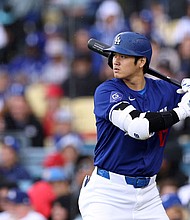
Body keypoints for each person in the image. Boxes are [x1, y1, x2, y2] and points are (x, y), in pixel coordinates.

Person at [78, 31, 190, 220]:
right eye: (115, 55)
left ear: (141, 62)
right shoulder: (107, 91)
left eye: (124, 56)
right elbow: (139, 128)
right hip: (107, 194)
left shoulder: (165, 91)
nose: (116, 61)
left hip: (148, 195)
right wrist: (183, 110)